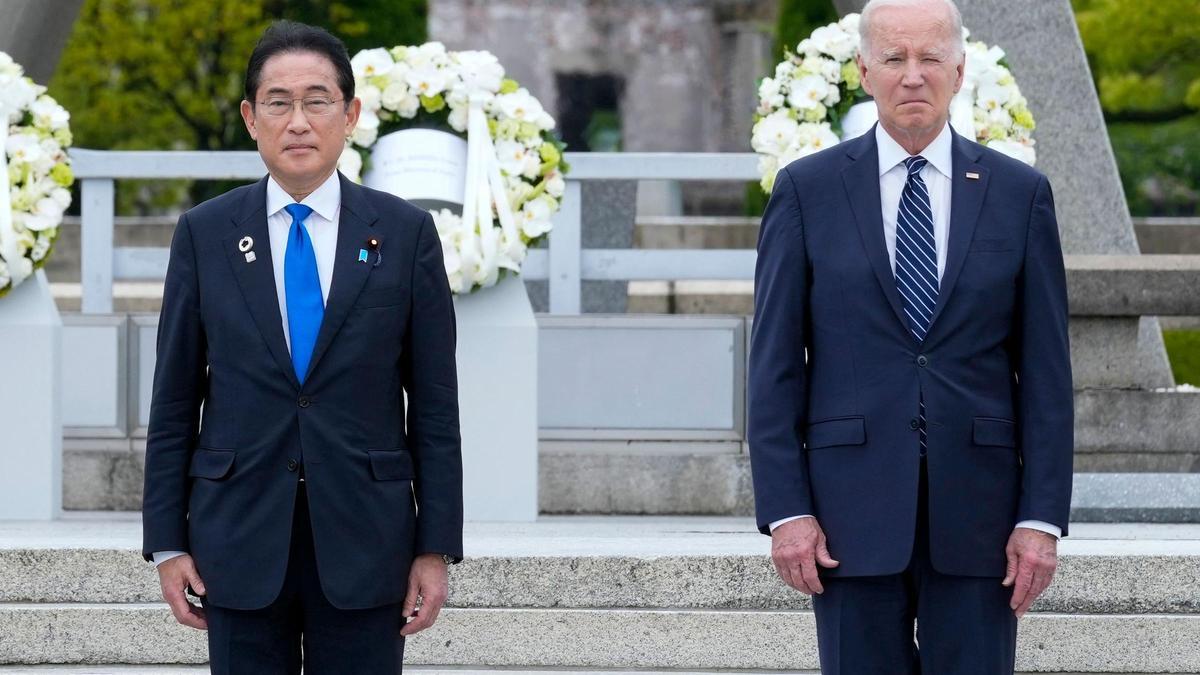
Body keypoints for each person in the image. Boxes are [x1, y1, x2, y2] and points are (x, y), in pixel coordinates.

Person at [747, 0, 1073, 671]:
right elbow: (775, 367)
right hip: (845, 518)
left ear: (960, 69)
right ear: (865, 70)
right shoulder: (807, 192)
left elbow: (1045, 373)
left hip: (982, 522)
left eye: (930, 58)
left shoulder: (1019, 195)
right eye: (895, 58)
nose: (913, 75)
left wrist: (1040, 517)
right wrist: (785, 510)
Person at [141, 20, 463, 674]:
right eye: (278, 102)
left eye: (317, 101)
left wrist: (436, 547)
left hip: (368, 540)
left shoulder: (403, 235)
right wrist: (166, 542)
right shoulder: (205, 234)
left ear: (349, 115)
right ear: (250, 118)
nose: (298, 121)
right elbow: (174, 399)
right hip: (237, 538)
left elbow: (434, 408)